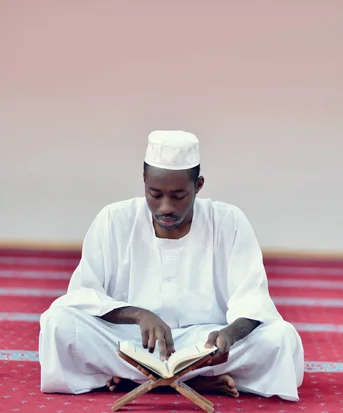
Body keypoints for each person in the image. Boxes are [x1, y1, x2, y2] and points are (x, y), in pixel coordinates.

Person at [38, 130, 304, 401]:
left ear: (198, 186)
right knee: (57, 322)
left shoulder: (228, 221)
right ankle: (194, 381)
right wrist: (139, 315)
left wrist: (230, 335)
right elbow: (84, 295)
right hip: (131, 343)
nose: (165, 207)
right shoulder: (114, 219)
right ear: (144, 181)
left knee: (280, 338)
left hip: (204, 344)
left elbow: (252, 297)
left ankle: (139, 379)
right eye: (155, 194)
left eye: (178, 196)